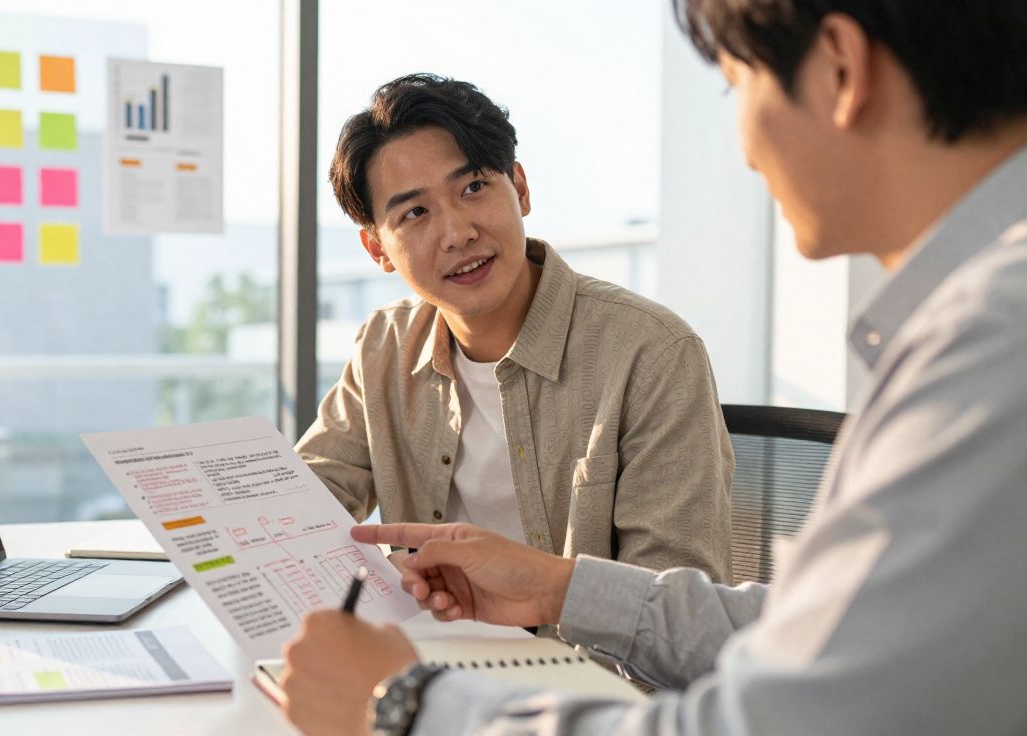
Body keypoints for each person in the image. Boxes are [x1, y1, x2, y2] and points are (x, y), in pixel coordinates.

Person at [278, 1, 1027, 734]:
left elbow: (773, 716)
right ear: (377, 245)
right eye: (414, 213)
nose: (743, 148)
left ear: (840, 67)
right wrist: (559, 586)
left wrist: (401, 707)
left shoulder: (990, 345)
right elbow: (831, 634)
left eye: (737, 85)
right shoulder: (971, 324)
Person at [299, 73, 732, 582]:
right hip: (421, 652)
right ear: (377, 249)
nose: (458, 234)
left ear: (520, 189)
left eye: (474, 187)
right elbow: (302, 506)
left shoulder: (651, 351)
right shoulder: (384, 346)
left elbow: (672, 601)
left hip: (579, 660)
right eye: (415, 212)